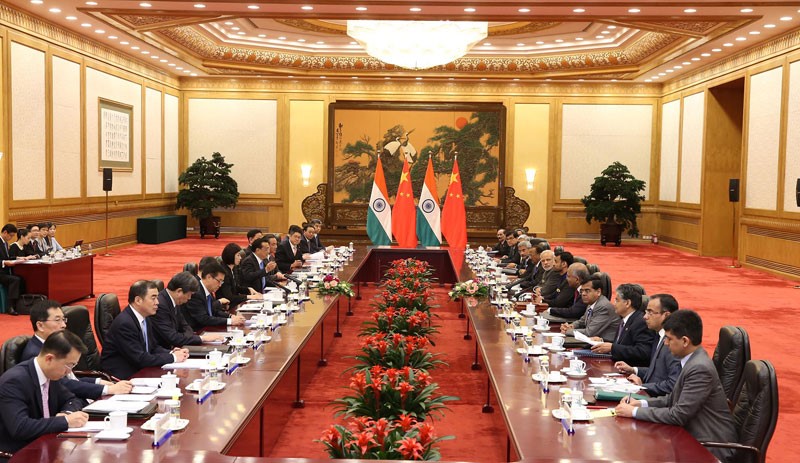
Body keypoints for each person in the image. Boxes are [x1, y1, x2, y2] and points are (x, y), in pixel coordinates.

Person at [614, 310, 738, 463]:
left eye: (669, 339)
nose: (665, 343)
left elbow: (678, 415)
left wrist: (634, 412)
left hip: (709, 447)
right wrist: (641, 403)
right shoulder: (691, 360)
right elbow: (672, 399)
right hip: (691, 437)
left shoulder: (699, 368)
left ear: (685, 341)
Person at [21, 299, 132, 400]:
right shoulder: (36, 355)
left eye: (64, 319)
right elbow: (61, 384)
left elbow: (71, 379)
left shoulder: (56, 345)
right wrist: (107, 390)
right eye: (57, 320)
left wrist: (98, 382)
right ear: (40, 326)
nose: (63, 325)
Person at [0, 330, 90, 454]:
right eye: (69, 365)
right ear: (49, 359)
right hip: (20, 452)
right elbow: (20, 427)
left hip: (49, 445)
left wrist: (66, 413)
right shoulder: (14, 382)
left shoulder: (51, 374)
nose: (69, 372)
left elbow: (72, 399)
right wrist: (65, 421)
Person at [101, 280, 190, 379]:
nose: (157, 302)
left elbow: (152, 347)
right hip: (123, 376)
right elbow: (140, 359)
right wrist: (173, 357)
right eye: (153, 298)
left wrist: (171, 352)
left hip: (139, 369)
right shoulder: (125, 324)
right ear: (138, 300)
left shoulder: (145, 317)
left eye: (157, 298)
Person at [615, 294, 682, 396]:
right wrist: (633, 370)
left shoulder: (672, 343)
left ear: (666, 315)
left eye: (650, 312)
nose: (645, 317)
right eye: (646, 312)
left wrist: (643, 386)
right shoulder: (658, 336)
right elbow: (657, 372)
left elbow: (673, 384)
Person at [152, 272, 225, 349]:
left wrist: (189, 336)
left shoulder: (174, 300)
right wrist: (202, 338)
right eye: (189, 294)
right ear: (179, 291)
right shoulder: (160, 305)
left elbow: (185, 325)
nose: (189, 298)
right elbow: (172, 337)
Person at [590, 283, 656, 366]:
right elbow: (623, 344)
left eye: (617, 300)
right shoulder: (625, 320)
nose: (614, 304)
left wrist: (612, 348)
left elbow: (643, 351)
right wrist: (602, 342)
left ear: (627, 303)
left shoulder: (640, 322)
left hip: (630, 368)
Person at [181, 261, 246, 331]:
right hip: (197, 331)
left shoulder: (208, 291)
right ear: (209, 277)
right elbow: (203, 319)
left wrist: (231, 316)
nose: (220, 285)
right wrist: (230, 321)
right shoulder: (196, 292)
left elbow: (214, 311)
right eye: (219, 281)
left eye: (222, 282)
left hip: (207, 328)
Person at [561, 275, 620, 342]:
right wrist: (571, 326)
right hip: (593, 341)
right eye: (582, 291)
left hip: (605, 343)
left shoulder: (604, 307)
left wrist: (567, 331)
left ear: (598, 292)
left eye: (587, 291)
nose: (583, 294)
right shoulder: (591, 303)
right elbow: (582, 321)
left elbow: (589, 333)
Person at [218, 243, 260, 307]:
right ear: (231, 255)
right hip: (225, 306)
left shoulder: (234, 269)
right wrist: (248, 297)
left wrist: (248, 289)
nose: (240, 258)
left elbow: (235, 287)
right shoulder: (224, 272)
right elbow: (229, 297)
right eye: (238, 255)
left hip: (233, 303)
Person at [0, 223, 22, 316]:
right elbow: (4, 260)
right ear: (5, 232)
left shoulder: (5, 243)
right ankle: (10, 306)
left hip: (5, 271)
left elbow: (7, 257)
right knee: (15, 280)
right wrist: (4, 262)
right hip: (1, 272)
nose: (11, 238)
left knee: (21, 278)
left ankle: (19, 304)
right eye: (11, 236)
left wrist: (18, 258)